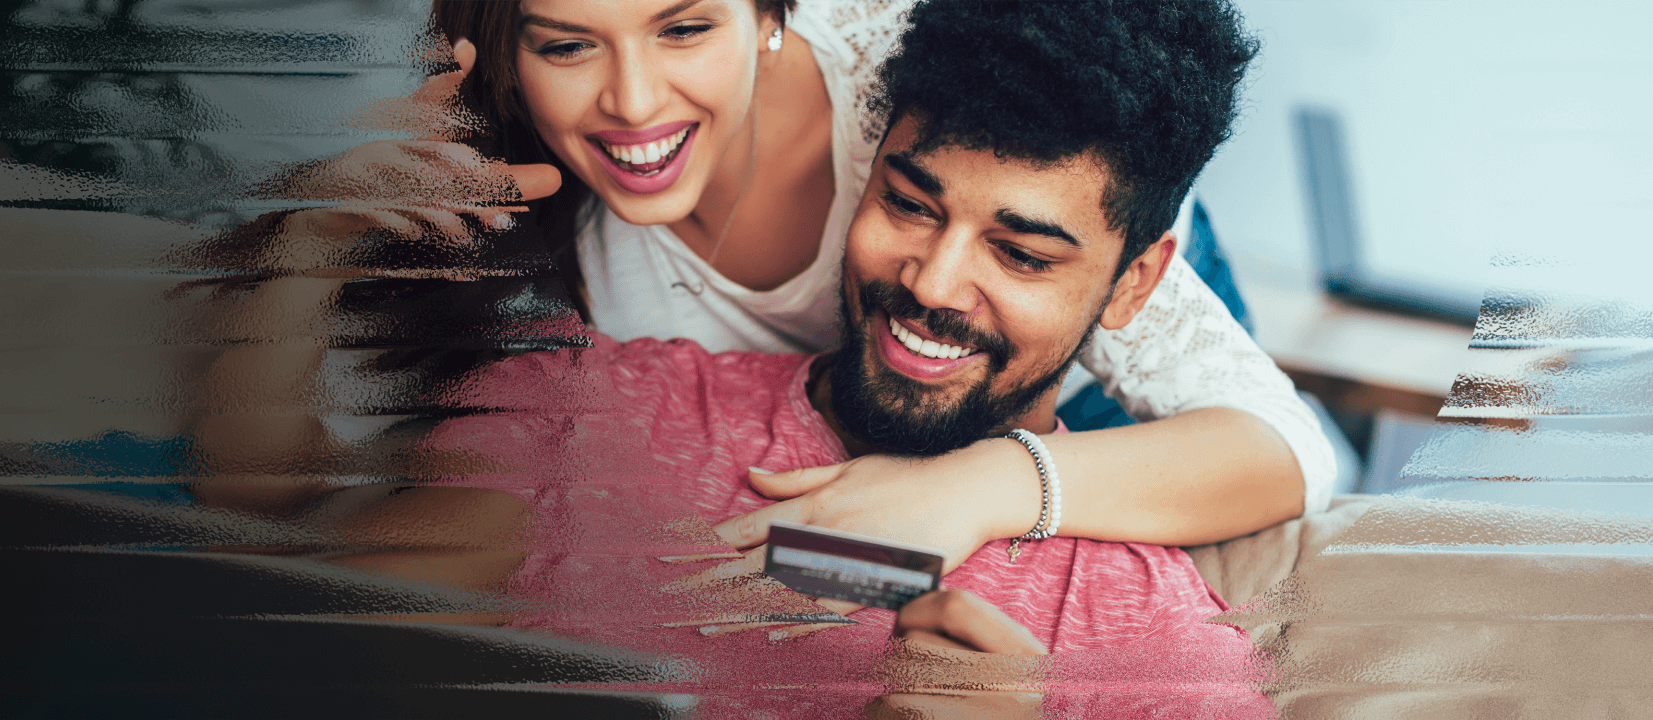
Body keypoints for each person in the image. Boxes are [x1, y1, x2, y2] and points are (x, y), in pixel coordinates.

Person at [423, 2, 1276, 714]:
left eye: (1021, 254)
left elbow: (1278, 448)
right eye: (908, 205)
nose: (935, 282)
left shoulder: (1150, 635)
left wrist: (983, 484)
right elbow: (321, 593)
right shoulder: (609, 393)